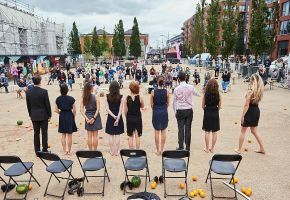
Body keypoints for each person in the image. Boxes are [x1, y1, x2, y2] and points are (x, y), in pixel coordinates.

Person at [235, 74, 265, 154]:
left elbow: (246, 105)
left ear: (252, 81)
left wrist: (242, 116)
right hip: (256, 111)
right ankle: (262, 148)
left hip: (249, 111)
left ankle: (239, 149)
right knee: (254, 131)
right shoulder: (259, 91)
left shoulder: (250, 92)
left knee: (243, 131)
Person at [173, 71, 200, 151]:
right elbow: (197, 94)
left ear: (178, 79)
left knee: (180, 129)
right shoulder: (190, 87)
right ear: (185, 78)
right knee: (188, 129)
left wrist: (175, 111)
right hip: (188, 109)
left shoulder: (176, 89)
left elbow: (174, 102)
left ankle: (181, 146)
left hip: (180, 110)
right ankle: (187, 147)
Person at [26, 75, 51, 155]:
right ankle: (45, 150)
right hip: (43, 115)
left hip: (34, 114)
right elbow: (47, 104)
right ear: (40, 81)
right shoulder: (44, 91)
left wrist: (30, 114)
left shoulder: (28, 92)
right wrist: (49, 114)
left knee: (36, 133)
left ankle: (37, 151)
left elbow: (28, 105)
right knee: (44, 133)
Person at [55, 84, 77, 155]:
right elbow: (74, 110)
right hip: (69, 115)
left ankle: (65, 150)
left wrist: (60, 113)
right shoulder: (71, 98)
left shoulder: (58, 99)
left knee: (63, 134)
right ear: (67, 90)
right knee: (69, 134)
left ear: (60, 90)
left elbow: (55, 110)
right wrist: (73, 116)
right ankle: (69, 150)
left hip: (62, 115)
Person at [80, 82, 102, 150]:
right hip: (96, 117)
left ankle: (90, 151)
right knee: (95, 136)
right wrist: (94, 118)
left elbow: (81, 110)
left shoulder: (83, 97)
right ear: (91, 88)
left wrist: (87, 119)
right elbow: (98, 109)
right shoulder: (96, 97)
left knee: (89, 136)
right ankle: (95, 151)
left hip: (88, 116)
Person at [150, 76, 169, 155]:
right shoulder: (167, 91)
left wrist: (155, 108)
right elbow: (168, 104)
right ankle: (162, 149)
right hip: (164, 111)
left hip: (156, 111)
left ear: (157, 82)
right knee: (163, 130)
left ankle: (158, 150)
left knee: (157, 131)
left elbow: (151, 104)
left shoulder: (153, 92)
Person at [105, 81, 124, 156]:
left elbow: (107, 108)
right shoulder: (121, 97)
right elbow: (120, 109)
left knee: (111, 135)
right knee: (117, 134)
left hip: (110, 116)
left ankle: (112, 151)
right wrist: (118, 117)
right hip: (118, 116)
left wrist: (113, 116)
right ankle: (117, 151)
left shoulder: (107, 96)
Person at [124, 81, 145, 149]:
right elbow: (142, 106)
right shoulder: (140, 97)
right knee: (137, 136)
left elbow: (125, 111)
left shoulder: (127, 98)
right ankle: (137, 151)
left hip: (129, 118)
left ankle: (131, 151)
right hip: (138, 118)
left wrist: (127, 117)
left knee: (130, 136)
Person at [202, 79, 221, 153]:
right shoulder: (218, 95)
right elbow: (219, 106)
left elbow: (203, 106)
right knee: (214, 132)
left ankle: (207, 148)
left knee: (207, 132)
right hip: (215, 112)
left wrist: (207, 109)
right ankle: (212, 148)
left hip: (207, 112)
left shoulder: (205, 94)